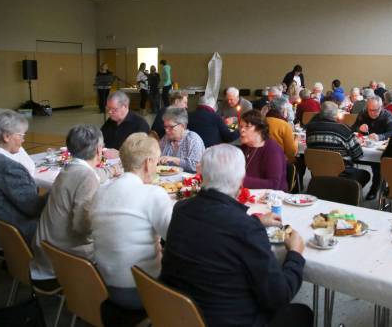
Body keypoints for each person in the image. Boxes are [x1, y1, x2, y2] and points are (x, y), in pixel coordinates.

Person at [160, 144, 311, 327]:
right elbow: (279, 296)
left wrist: (255, 222)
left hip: (179, 316)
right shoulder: (245, 229)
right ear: (241, 180)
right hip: (228, 320)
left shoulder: (181, 209)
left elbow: (216, 231)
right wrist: (295, 254)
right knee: (301, 313)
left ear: (203, 175)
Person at [90, 133, 174, 309]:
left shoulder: (101, 191)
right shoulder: (152, 194)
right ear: (148, 163)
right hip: (140, 291)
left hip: (99, 285)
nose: (156, 167)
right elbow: (176, 239)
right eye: (156, 162)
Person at [31, 125, 105, 280]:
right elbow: (81, 227)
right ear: (99, 150)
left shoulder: (68, 168)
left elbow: (90, 175)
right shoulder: (87, 177)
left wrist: (109, 172)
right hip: (62, 258)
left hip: (45, 248)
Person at [0, 110, 46, 243]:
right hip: (14, 233)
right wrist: (57, 188)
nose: (23, 140)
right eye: (21, 135)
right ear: (6, 136)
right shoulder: (9, 168)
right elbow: (34, 208)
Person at [306, 102, 371, 187]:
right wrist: (356, 142)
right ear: (335, 115)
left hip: (317, 172)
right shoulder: (343, 129)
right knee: (365, 174)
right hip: (343, 174)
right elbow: (357, 155)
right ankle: (345, 193)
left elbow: (309, 147)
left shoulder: (310, 128)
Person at [239, 110, 287, 191]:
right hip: (249, 194)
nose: (242, 130)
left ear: (259, 129)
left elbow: (274, 184)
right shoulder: (244, 147)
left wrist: (241, 181)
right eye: (241, 126)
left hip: (272, 199)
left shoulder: (272, 150)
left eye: (247, 126)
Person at [159, 107, 204, 173]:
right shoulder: (166, 138)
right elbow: (158, 157)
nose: (166, 130)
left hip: (189, 181)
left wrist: (174, 160)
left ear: (183, 126)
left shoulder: (193, 139)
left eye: (171, 127)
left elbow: (196, 165)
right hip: (167, 180)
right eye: (165, 127)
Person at [265, 97, 298, 162]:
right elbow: (291, 152)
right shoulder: (284, 125)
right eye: (287, 109)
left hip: (260, 160)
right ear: (283, 110)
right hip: (278, 161)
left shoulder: (260, 121)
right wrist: (297, 139)